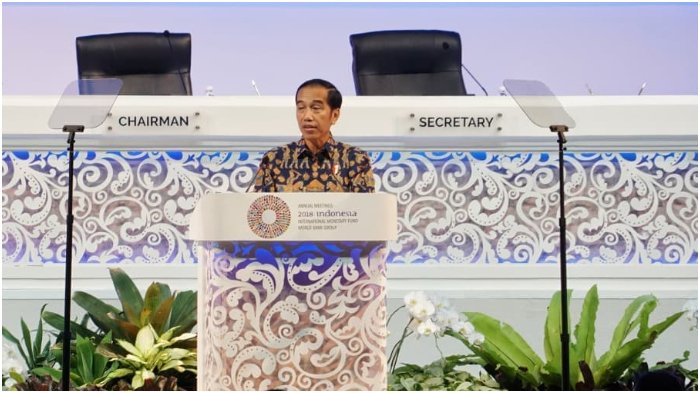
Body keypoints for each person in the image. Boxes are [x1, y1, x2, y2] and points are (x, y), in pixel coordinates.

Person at [251, 79, 375, 193]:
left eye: (316, 108)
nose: (307, 117)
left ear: (335, 115)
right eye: (301, 108)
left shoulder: (355, 160)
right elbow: (260, 210)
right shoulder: (274, 159)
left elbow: (365, 211)